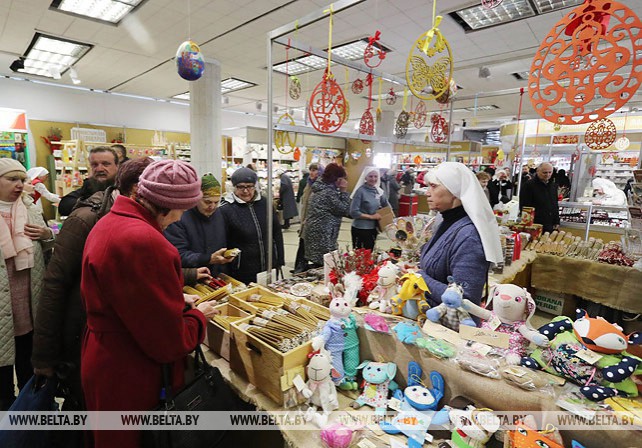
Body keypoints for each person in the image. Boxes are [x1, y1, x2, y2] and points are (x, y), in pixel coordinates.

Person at [81, 160, 217, 448]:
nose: (180, 219)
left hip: (105, 356)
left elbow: (124, 294)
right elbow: (168, 342)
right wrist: (197, 317)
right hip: (129, 368)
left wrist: (173, 300)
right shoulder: (145, 240)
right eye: (182, 210)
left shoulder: (112, 220)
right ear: (166, 204)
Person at [0, 158, 55, 411]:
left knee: (28, 359)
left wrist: (48, 235)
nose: (20, 185)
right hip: (3, 303)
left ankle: (28, 416)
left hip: (28, 298)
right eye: (12, 179)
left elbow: (47, 247)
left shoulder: (31, 209)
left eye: (22, 179)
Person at [420, 162, 503, 310]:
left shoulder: (469, 236)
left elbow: (465, 298)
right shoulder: (447, 222)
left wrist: (418, 278)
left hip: (449, 328)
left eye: (433, 186)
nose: (427, 192)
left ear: (454, 191)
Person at [218, 167, 284, 284]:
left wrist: (280, 259)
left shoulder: (265, 203)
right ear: (234, 187)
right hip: (242, 269)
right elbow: (222, 242)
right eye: (241, 187)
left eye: (249, 186)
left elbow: (276, 232)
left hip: (269, 264)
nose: (246, 191)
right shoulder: (226, 209)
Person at [165, 173, 234, 275]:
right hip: (192, 277)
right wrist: (208, 259)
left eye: (216, 202)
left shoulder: (220, 214)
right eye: (207, 202)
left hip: (217, 277)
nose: (212, 206)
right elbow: (178, 254)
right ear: (197, 198)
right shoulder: (179, 218)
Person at [303, 163, 351, 267]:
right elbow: (344, 209)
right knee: (325, 265)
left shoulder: (319, 187)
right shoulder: (328, 192)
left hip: (317, 233)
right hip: (323, 236)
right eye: (342, 178)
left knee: (320, 263)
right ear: (337, 179)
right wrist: (344, 191)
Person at [58, 146, 119, 216]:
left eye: (106, 164)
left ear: (117, 166)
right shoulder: (89, 185)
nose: (99, 169)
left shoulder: (126, 187)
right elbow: (64, 206)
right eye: (94, 165)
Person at [350, 166, 389, 251]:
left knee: (369, 254)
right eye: (370, 176)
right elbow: (354, 212)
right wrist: (372, 217)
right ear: (365, 177)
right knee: (360, 256)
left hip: (373, 229)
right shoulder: (360, 192)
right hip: (360, 228)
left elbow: (387, 206)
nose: (373, 179)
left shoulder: (378, 191)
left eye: (375, 176)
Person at [294, 163, 322, 273]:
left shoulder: (321, 187)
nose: (312, 172)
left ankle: (302, 268)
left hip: (313, 221)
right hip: (305, 220)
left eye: (315, 170)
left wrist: (311, 218)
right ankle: (299, 267)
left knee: (308, 244)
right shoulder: (308, 184)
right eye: (311, 170)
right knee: (302, 243)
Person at [519, 162, 560, 233]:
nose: (548, 175)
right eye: (545, 173)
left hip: (549, 223)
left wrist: (556, 220)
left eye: (550, 172)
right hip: (535, 223)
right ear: (538, 171)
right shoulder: (529, 185)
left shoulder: (553, 186)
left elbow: (555, 204)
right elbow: (524, 206)